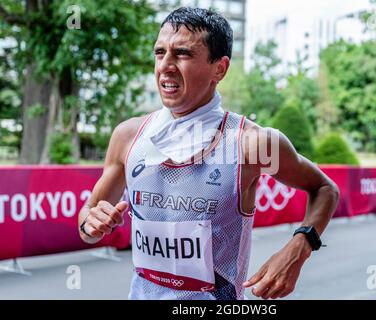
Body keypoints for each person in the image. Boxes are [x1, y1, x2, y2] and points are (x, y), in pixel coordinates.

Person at [78, 7, 339, 300]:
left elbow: (324, 187)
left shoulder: (251, 144)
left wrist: (300, 247)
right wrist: (91, 222)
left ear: (220, 68)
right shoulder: (129, 136)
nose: (165, 65)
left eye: (183, 54)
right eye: (159, 52)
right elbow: (86, 226)